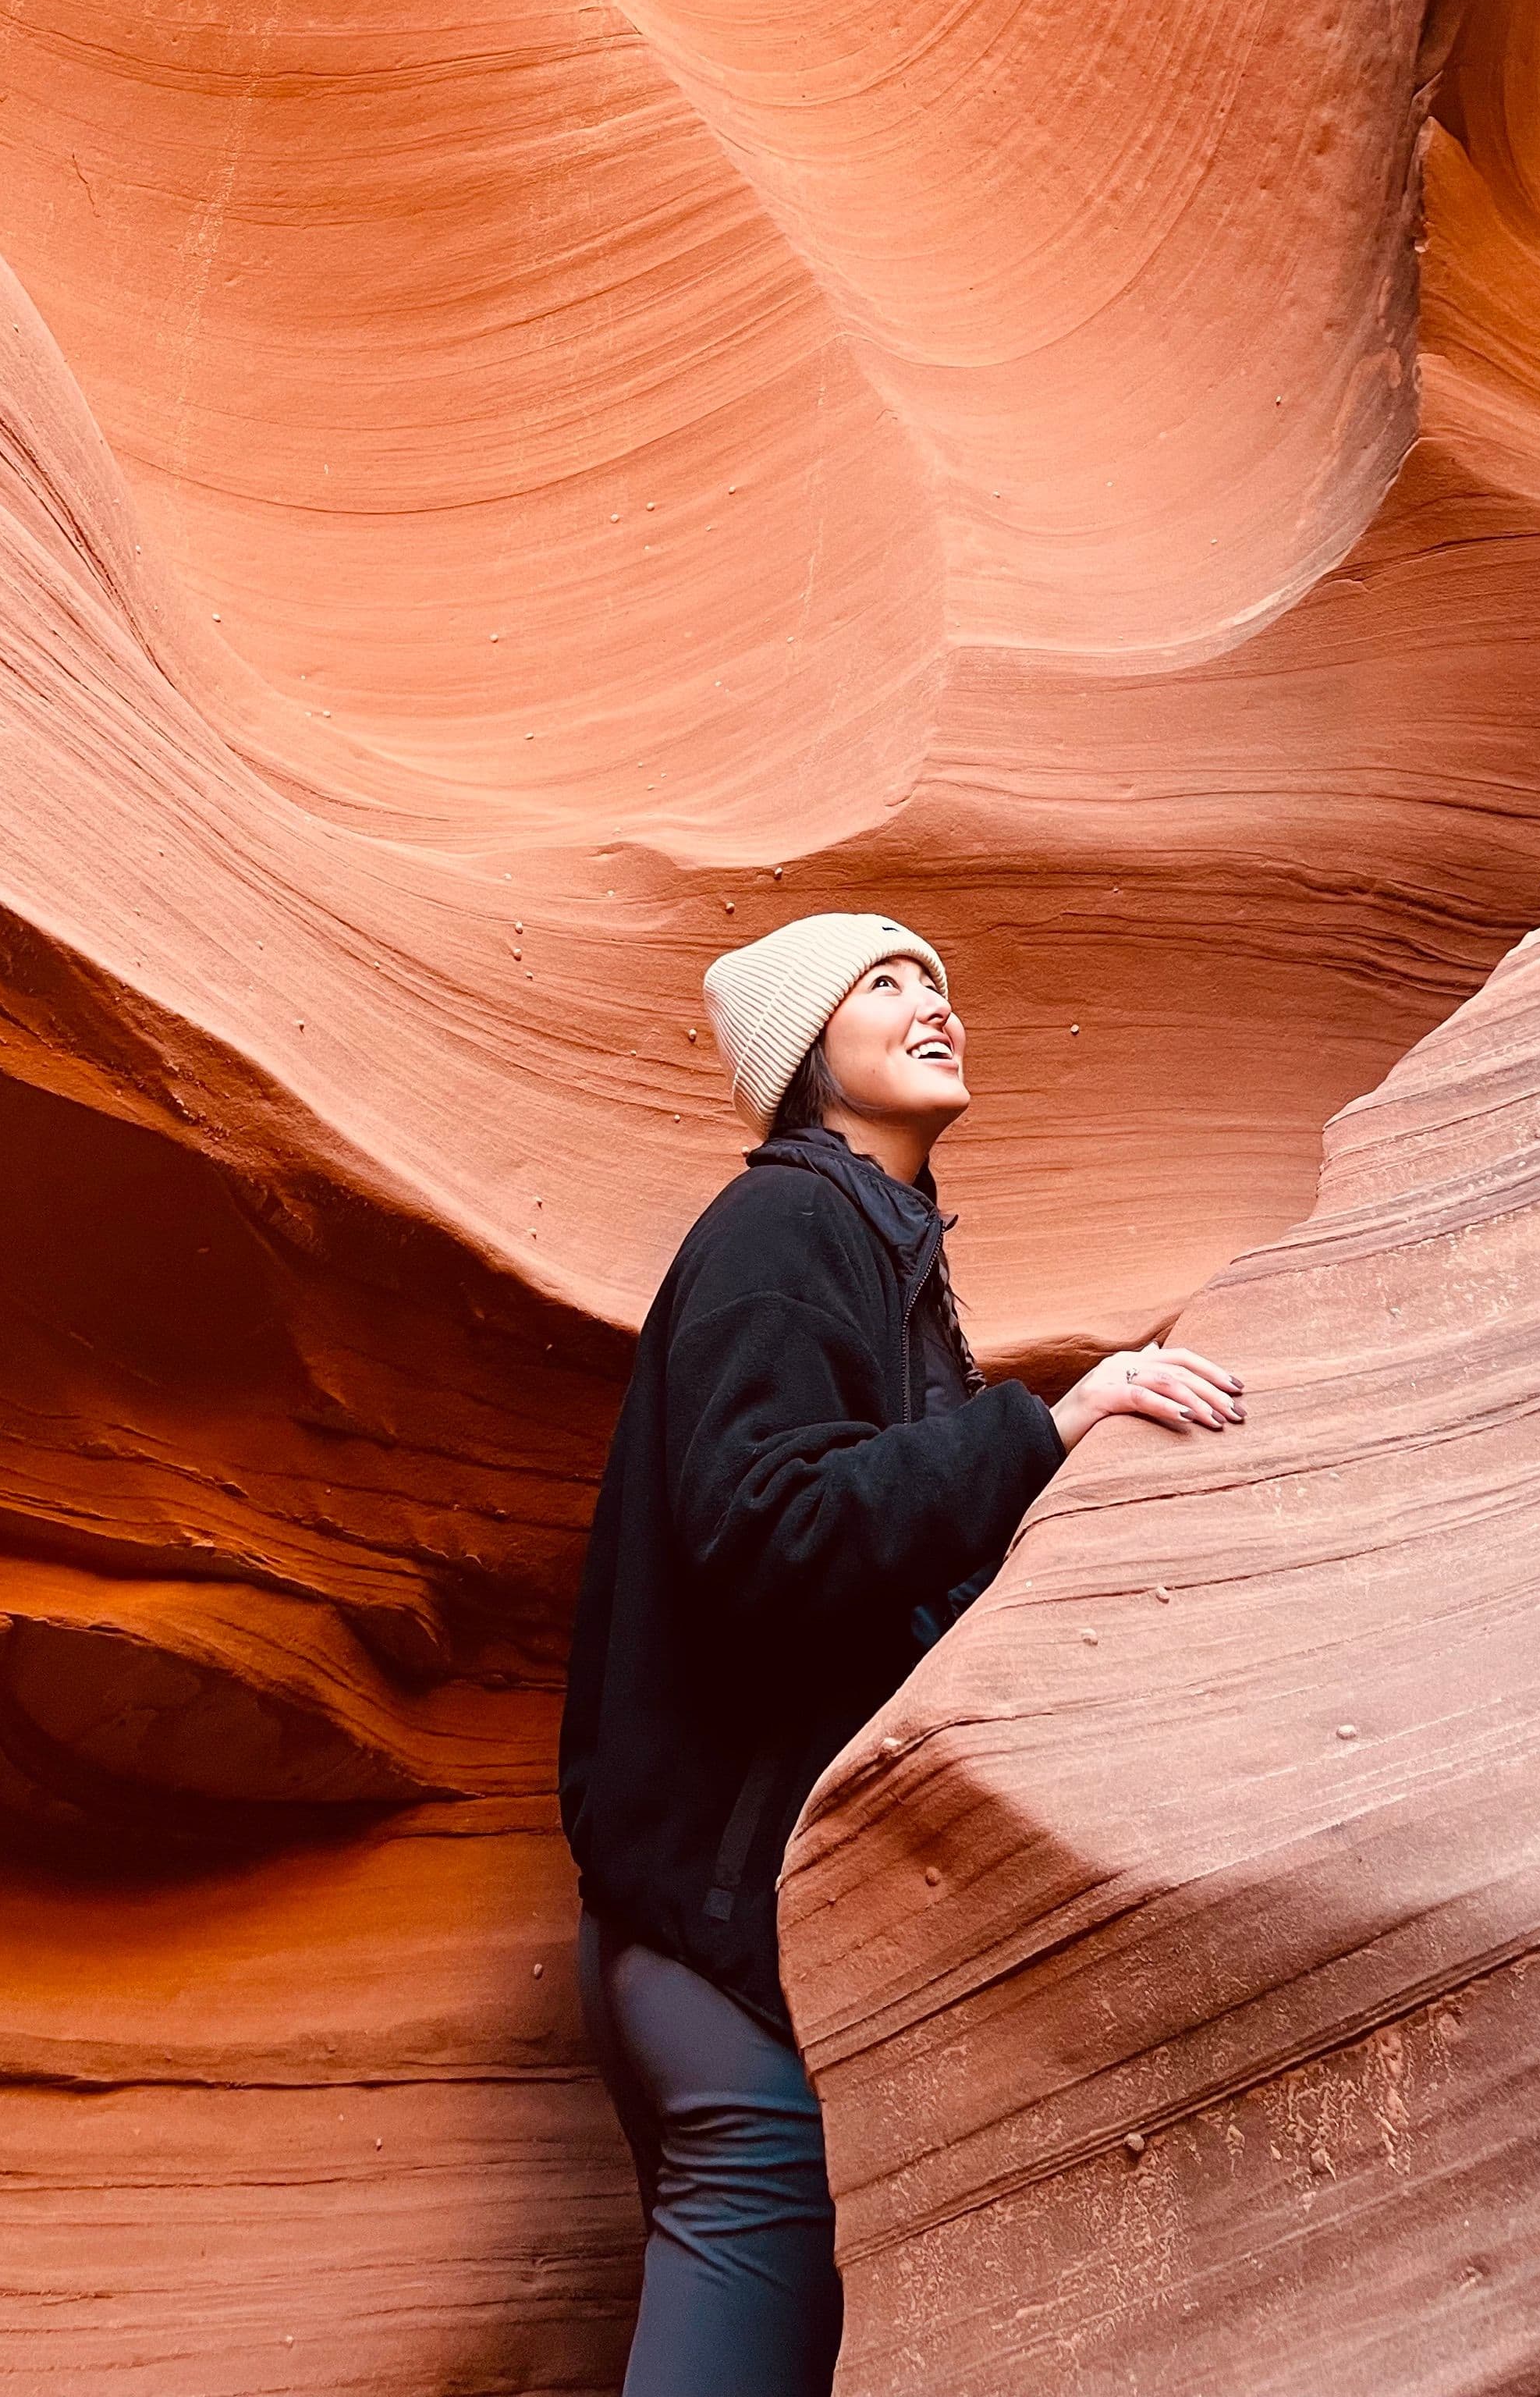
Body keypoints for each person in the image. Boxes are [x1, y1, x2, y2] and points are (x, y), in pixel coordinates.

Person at [559, 911, 1244, 2395]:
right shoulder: (789, 1223)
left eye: (938, 979)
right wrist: (1044, 1428)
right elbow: (764, 1526)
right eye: (885, 984)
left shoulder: (883, 1251)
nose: (933, 1002)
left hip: (728, 1935)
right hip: (730, 1939)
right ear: (811, 1052)